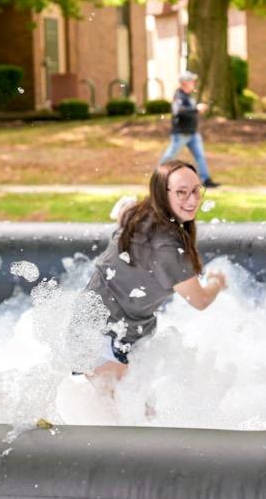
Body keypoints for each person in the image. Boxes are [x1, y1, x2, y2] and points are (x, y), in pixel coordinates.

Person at [86, 159, 228, 383]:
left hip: (97, 327)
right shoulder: (169, 250)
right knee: (121, 415)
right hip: (103, 341)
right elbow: (199, 301)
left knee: (138, 412)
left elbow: (121, 211)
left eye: (196, 190)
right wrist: (216, 283)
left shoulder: (137, 212)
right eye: (182, 192)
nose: (192, 200)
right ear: (163, 193)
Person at [158, 71, 220, 188]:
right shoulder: (179, 96)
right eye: (191, 81)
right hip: (181, 133)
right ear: (184, 83)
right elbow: (179, 111)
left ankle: (205, 179)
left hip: (192, 133)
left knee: (200, 156)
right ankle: (159, 177)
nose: (194, 83)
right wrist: (196, 109)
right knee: (170, 156)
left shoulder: (189, 96)